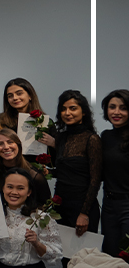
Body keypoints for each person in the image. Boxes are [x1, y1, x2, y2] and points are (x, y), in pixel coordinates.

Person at [51, 90, 102, 237]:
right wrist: (48, 171)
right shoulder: (61, 138)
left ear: (83, 112)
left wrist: (84, 213)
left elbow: (95, 180)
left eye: (73, 108)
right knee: (62, 255)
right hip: (60, 206)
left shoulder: (92, 139)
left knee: (83, 257)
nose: (67, 113)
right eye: (63, 109)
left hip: (82, 208)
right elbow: (64, 171)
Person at [0, 129, 51, 205]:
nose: (6, 147)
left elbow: (46, 204)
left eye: (10, 142)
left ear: (18, 145)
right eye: (0, 144)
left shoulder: (34, 175)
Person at [100, 90, 129, 256]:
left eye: (123, 108)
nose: (116, 112)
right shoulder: (106, 136)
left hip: (127, 203)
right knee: (110, 254)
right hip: (109, 205)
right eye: (112, 107)